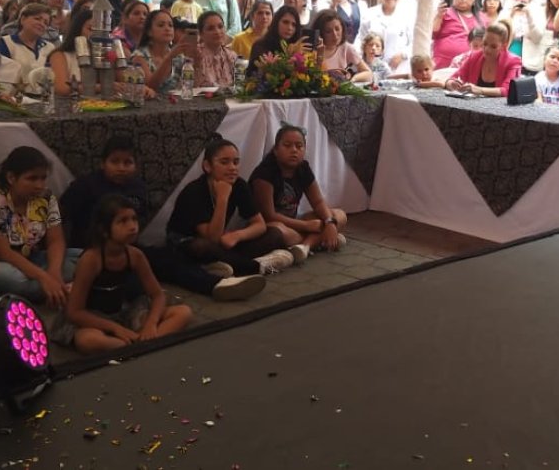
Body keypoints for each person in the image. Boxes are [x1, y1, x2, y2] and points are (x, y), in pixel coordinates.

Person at [56, 194, 192, 353]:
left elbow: (157, 295)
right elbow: (75, 311)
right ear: (104, 230)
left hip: (123, 312)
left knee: (183, 313)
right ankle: (133, 347)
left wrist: (151, 324)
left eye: (134, 219)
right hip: (93, 319)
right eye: (123, 221)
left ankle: (142, 344)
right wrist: (114, 328)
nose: (133, 226)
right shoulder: (91, 259)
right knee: (87, 340)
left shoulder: (135, 255)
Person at [0, 146, 81, 307]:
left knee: (83, 257)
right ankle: (68, 289)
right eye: (32, 179)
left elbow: (56, 241)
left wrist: (54, 273)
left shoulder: (46, 198)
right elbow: (4, 253)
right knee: (10, 278)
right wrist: (44, 278)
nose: (39, 185)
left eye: (43, 178)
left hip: (31, 260)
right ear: (11, 178)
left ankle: (52, 290)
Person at [165, 135, 294, 276]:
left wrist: (238, 235)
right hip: (189, 243)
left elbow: (259, 224)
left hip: (221, 243)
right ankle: (257, 266)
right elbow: (211, 238)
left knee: (274, 234)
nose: (232, 168)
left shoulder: (239, 185)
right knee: (202, 247)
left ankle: (222, 266)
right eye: (224, 162)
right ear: (208, 166)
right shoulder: (194, 191)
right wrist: (223, 198)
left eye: (236, 162)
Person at [250, 124, 349, 262]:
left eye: (299, 146)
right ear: (276, 150)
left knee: (339, 215)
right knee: (278, 232)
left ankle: (304, 247)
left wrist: (330, 223)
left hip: (295, 223)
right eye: (287, 145)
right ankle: (321, 240)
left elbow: (318, 202)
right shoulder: (264, 174)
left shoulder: (303, 168)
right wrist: (306, 226)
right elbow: (269, 216)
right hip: (272, 225)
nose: (294, 150)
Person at [59, 136, 149, 248]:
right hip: (89, 249)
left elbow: (142, 218)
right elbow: (59, 215)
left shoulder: (138, 187)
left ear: (136, 166)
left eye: (128, 162)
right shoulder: (85, 185)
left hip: (127, 248)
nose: (121, 168)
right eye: (114, 162)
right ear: (102, 164)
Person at [445, 23, 522, 98]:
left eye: (493, 46)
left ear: (503, 46)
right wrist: (450, 83)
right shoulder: (473, 57)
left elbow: (507, 90)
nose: (487, 49)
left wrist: (480, 90)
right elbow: (453, 77)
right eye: (485, 44)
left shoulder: (513, 61)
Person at [356, 0, 413, 76]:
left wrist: (403, 55)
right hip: (372, 68)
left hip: (398, 69)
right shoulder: (369, 14)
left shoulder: (406, 16)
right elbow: (361, 40)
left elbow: (414, 42)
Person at [433, 0, 488, 70]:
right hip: (444, 67)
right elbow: (432, 33)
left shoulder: (483, 18)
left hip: (472, 67)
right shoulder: (444, 13)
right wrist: (438, 16)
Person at [132, 10, 187, 96]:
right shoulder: (139, 56)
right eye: (161, 25)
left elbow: (191, 86)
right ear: (149, 31)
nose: (167, 28)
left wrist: (197, 63)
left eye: (170, 25)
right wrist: (169, 58)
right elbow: (150, 86)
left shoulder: (178, 56)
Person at [246, 5, 308, 77]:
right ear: (276, 23)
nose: (290, 28)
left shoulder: (298, 47)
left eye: (294, 25)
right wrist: (289, 56)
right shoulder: (260, 45)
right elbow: (254, 76)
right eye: (285, 22)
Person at [0, 2, 55, 79]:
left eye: (46, 23)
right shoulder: (5, 43)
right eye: (37, 19)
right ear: (23, 19)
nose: (42, 24)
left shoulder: (50, 48)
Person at [313, 9, 372, 84]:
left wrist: (352, 79)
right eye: (328, 31)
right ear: (320, 33)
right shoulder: (312, 50)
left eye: (337, 29)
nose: (335, 35)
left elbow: (368, 74)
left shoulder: (346, 47)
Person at [48, 8, 92, 95]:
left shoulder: (104, 56)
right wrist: (100, 87)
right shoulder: (60, 55)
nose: (96, 34)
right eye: (90, 29)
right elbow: (62, 88)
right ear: (78, 29)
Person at [188, 10, 237, 88]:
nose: (217, 31)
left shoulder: (231, 55)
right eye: (210, 28)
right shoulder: (194, 54)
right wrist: (196, 65)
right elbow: (188, 88)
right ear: (201, 34)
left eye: (220, 27)